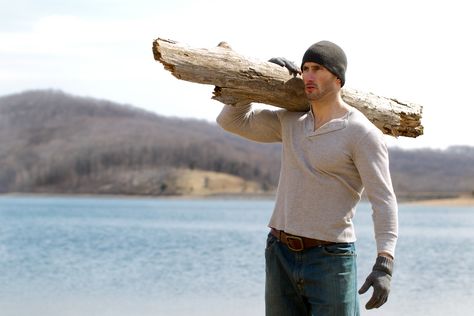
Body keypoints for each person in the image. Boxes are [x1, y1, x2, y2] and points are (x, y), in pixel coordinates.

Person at [216, 40, 398, 316]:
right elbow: (231, 121)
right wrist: (251, 81)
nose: (308, 76)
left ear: (338, 78)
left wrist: (384, 263)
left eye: (317, 69)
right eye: (304, 69)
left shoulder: (362, 133)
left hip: (330, 260)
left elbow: (383, 201)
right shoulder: (291, 122)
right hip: (279, 253)